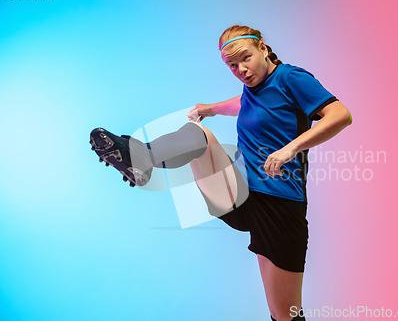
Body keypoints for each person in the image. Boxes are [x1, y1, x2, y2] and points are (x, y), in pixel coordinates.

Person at [90, 25, 352, 321]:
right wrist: (210, 109)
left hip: (280, 207)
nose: (241, 70)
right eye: (232, 66)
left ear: (263, 49)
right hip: (239, 193)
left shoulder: (291, 78)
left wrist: (289, 149)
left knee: (285, 314)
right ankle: (142, 158)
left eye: (246, 58)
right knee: (199, 137)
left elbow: (340, 115)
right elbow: (246, 104)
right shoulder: (253, 86)